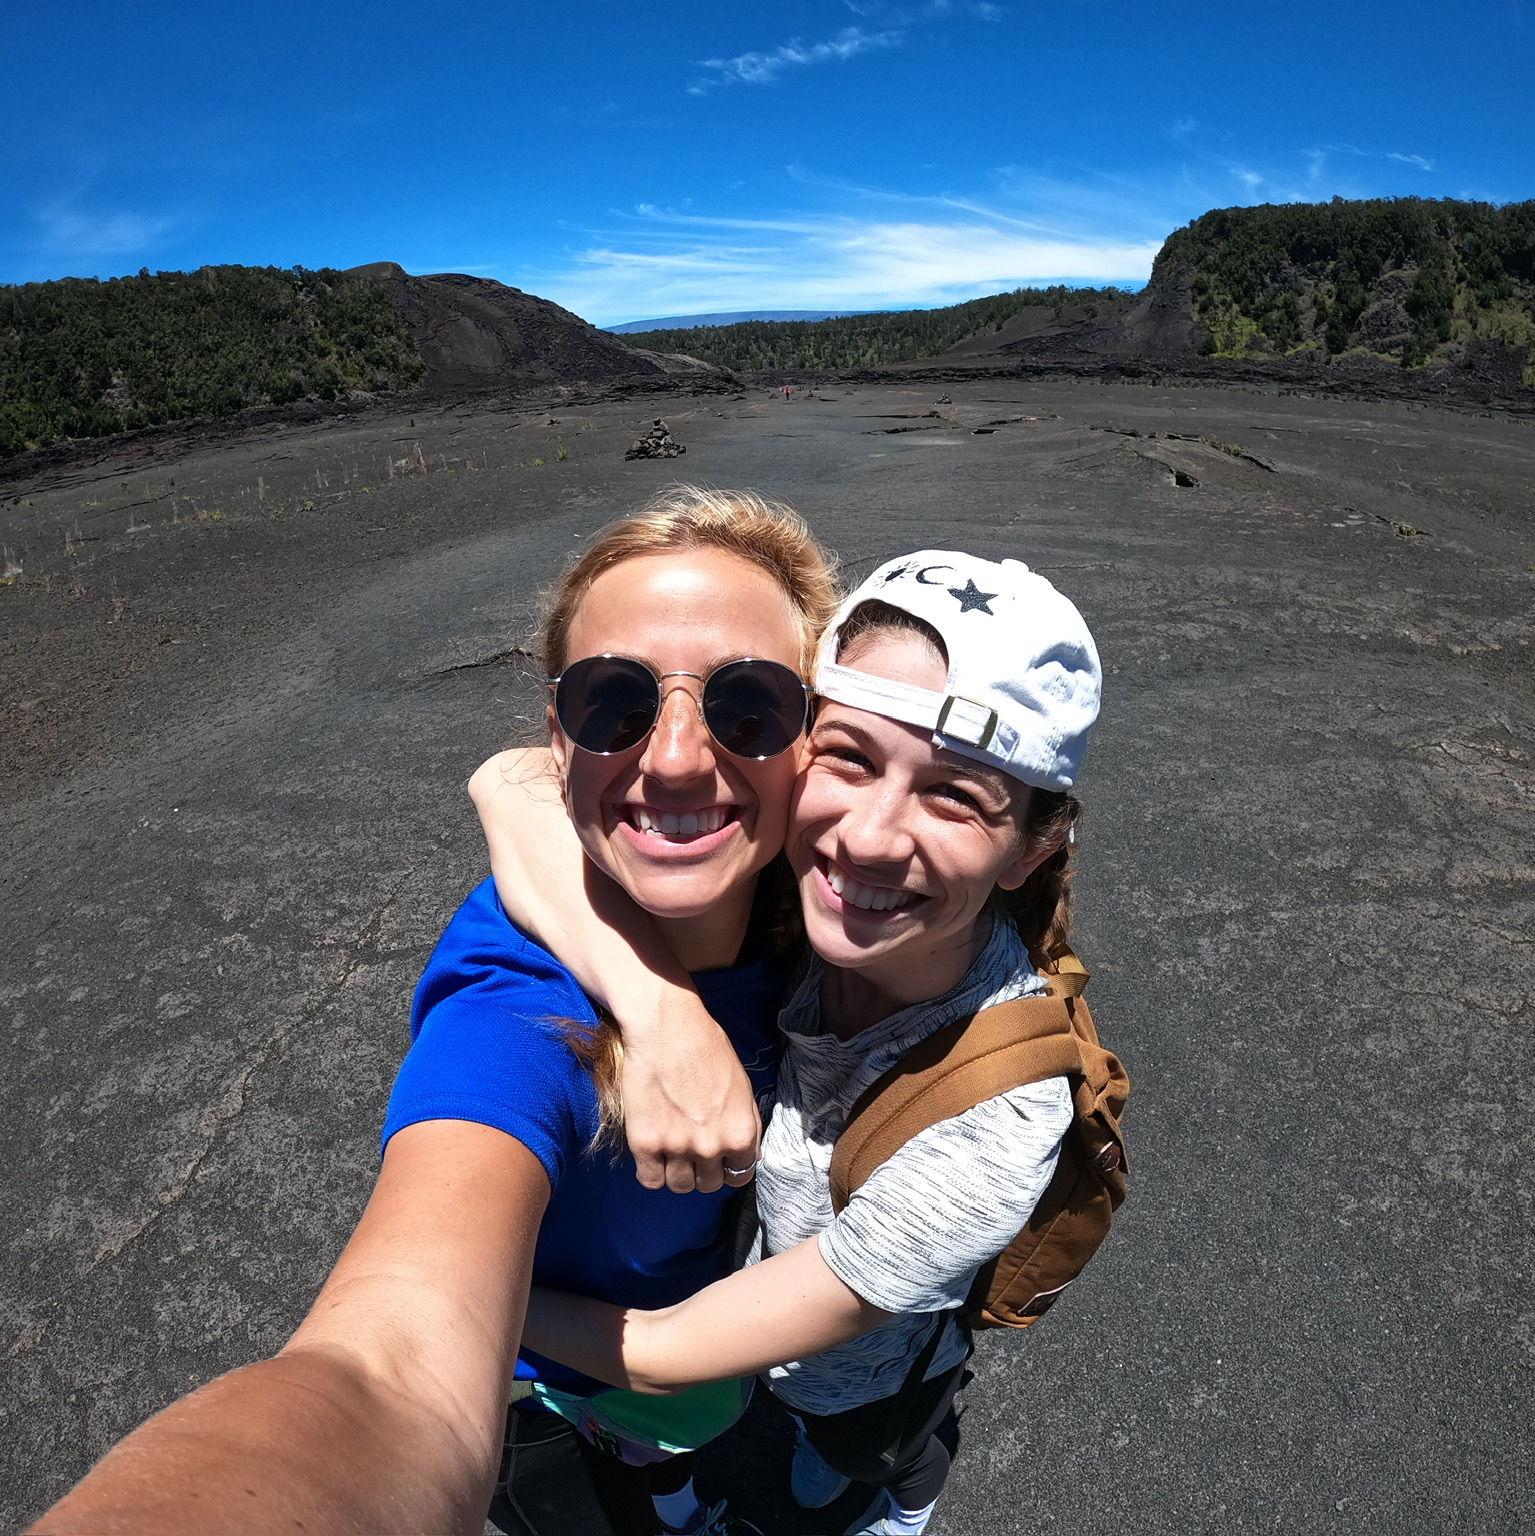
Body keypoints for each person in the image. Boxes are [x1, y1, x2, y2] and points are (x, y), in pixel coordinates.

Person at [29, 486, 839, 1536]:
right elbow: (390, 1373)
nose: (676, 756)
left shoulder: (824, 911)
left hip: (685, 1320)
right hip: (554, 1369)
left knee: (665, 1450)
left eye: (748, 706)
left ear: (815, 738)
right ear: (561, 738)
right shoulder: (519, 1002)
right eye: (612, 703)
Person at [472, 549, 1103, 1536]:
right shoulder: (790, 895)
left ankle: (902, 1505)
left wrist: (471, 1302)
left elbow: (674, 1346)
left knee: (869, 1447)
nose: (868, 838)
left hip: (857, 1370)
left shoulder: (995, 1120)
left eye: (955, 797)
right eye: (848, 757)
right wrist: (660, 1011)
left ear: (1030, 849)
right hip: (756, 1297)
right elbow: (512, 778)